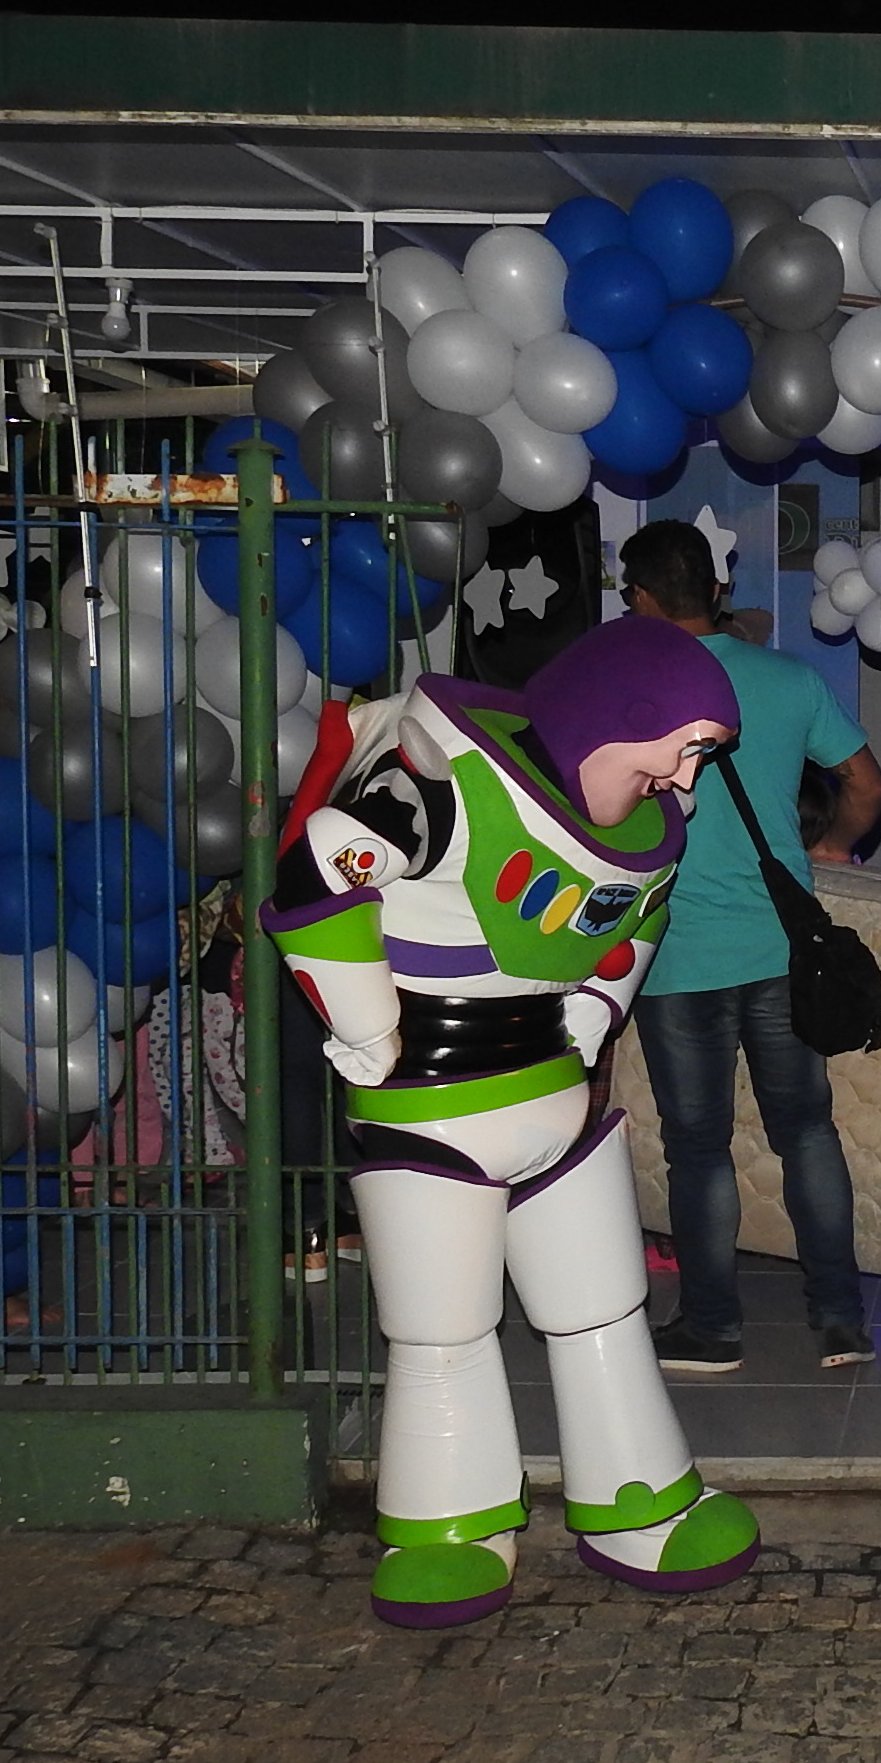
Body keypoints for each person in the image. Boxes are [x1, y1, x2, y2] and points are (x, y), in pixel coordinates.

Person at [262, 613, 765, 1626]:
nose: (686, 780)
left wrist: (595, 1010)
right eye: (681, 750)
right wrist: (366, 1025)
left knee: (605, 1312)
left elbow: (637, 919)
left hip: (555, 1096)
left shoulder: (645, 827)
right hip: (429, 1111)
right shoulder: (436, 783)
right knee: (441, 1333)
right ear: (619, 716)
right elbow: (319, 873)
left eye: (701, 756)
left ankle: (640, 1504)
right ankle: (448, 1527)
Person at [618, 519, 881, 1374]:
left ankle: (712, 1328)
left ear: (640, 599)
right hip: (780, 950)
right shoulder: (788, 679)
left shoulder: (626, 688)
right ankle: (840, 1320)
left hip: (677, 957)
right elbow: (866, 784)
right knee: (806, 1130)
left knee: (697, 1146)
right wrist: (833, 844)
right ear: (717, 589)